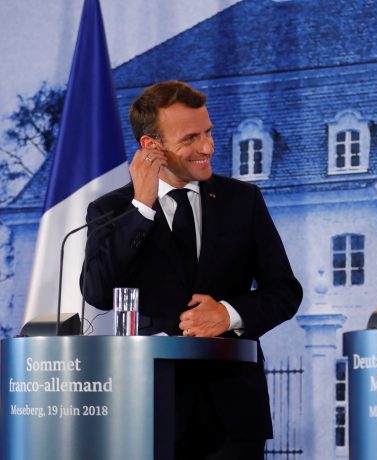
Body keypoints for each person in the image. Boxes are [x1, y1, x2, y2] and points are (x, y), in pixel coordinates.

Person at [81, 81, 303, 459]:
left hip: (233, 414)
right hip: (146, 409)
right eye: (190, 138)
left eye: (208, 132)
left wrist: (228, 314)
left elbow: (285, 291)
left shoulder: (243, 200)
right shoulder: (112, 210)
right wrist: (142, 208)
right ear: (152, 147)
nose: (208, 147)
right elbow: (98, 292)